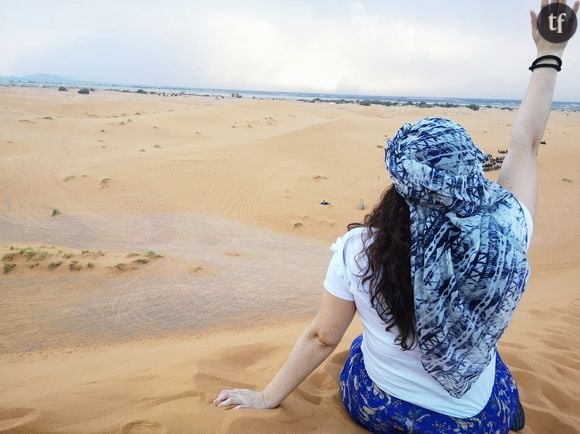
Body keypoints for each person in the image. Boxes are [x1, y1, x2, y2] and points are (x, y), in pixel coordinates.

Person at [213, 1, 578, 432]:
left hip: (383, 408)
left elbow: (322, 337)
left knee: (354, 350)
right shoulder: (506, 229)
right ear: (469, 171)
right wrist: (549, 52)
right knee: (492, 369)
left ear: (402, 178)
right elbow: (526, 144)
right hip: (475, 422)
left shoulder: (360, 250)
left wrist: (266, 397)